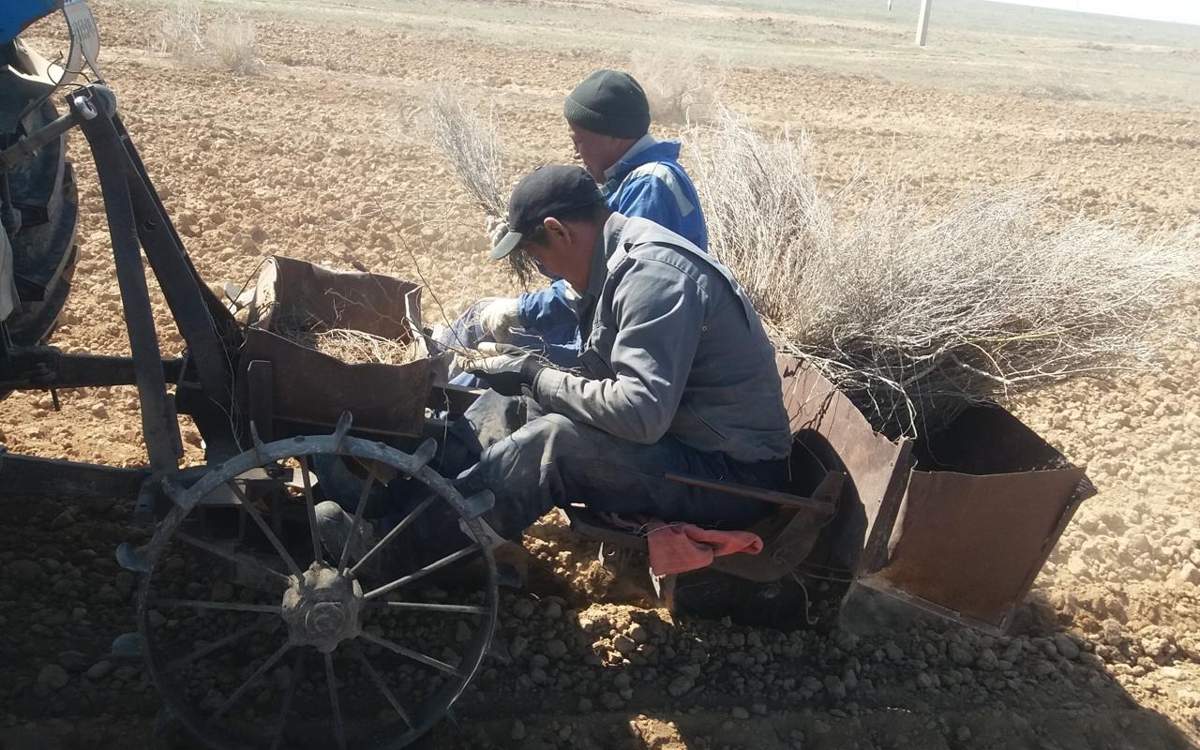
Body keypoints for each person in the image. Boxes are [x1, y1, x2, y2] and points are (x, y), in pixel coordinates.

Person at [316, 165, 790, 567]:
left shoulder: (653, 279)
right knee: (514, 405)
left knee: (554, 444)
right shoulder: (618, 261)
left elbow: (640, 414)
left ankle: (394, 552)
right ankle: (400, 502)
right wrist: (529, 378)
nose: (546, 271)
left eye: (539, 256)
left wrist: (537, 374)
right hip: (685, 446)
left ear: (560, 230)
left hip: (731, 477)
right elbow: (608, 381)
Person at [441, 69, 708, 360]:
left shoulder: (650, 187)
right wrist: (531, 243)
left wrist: (522, 311)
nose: (576, 153)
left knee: (483, 342)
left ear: (614, 137)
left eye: (578, 140)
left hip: (629, 347)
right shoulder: (633, 180)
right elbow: (586, 261)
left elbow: (606, 283)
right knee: (477, 326)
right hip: (610, 329)